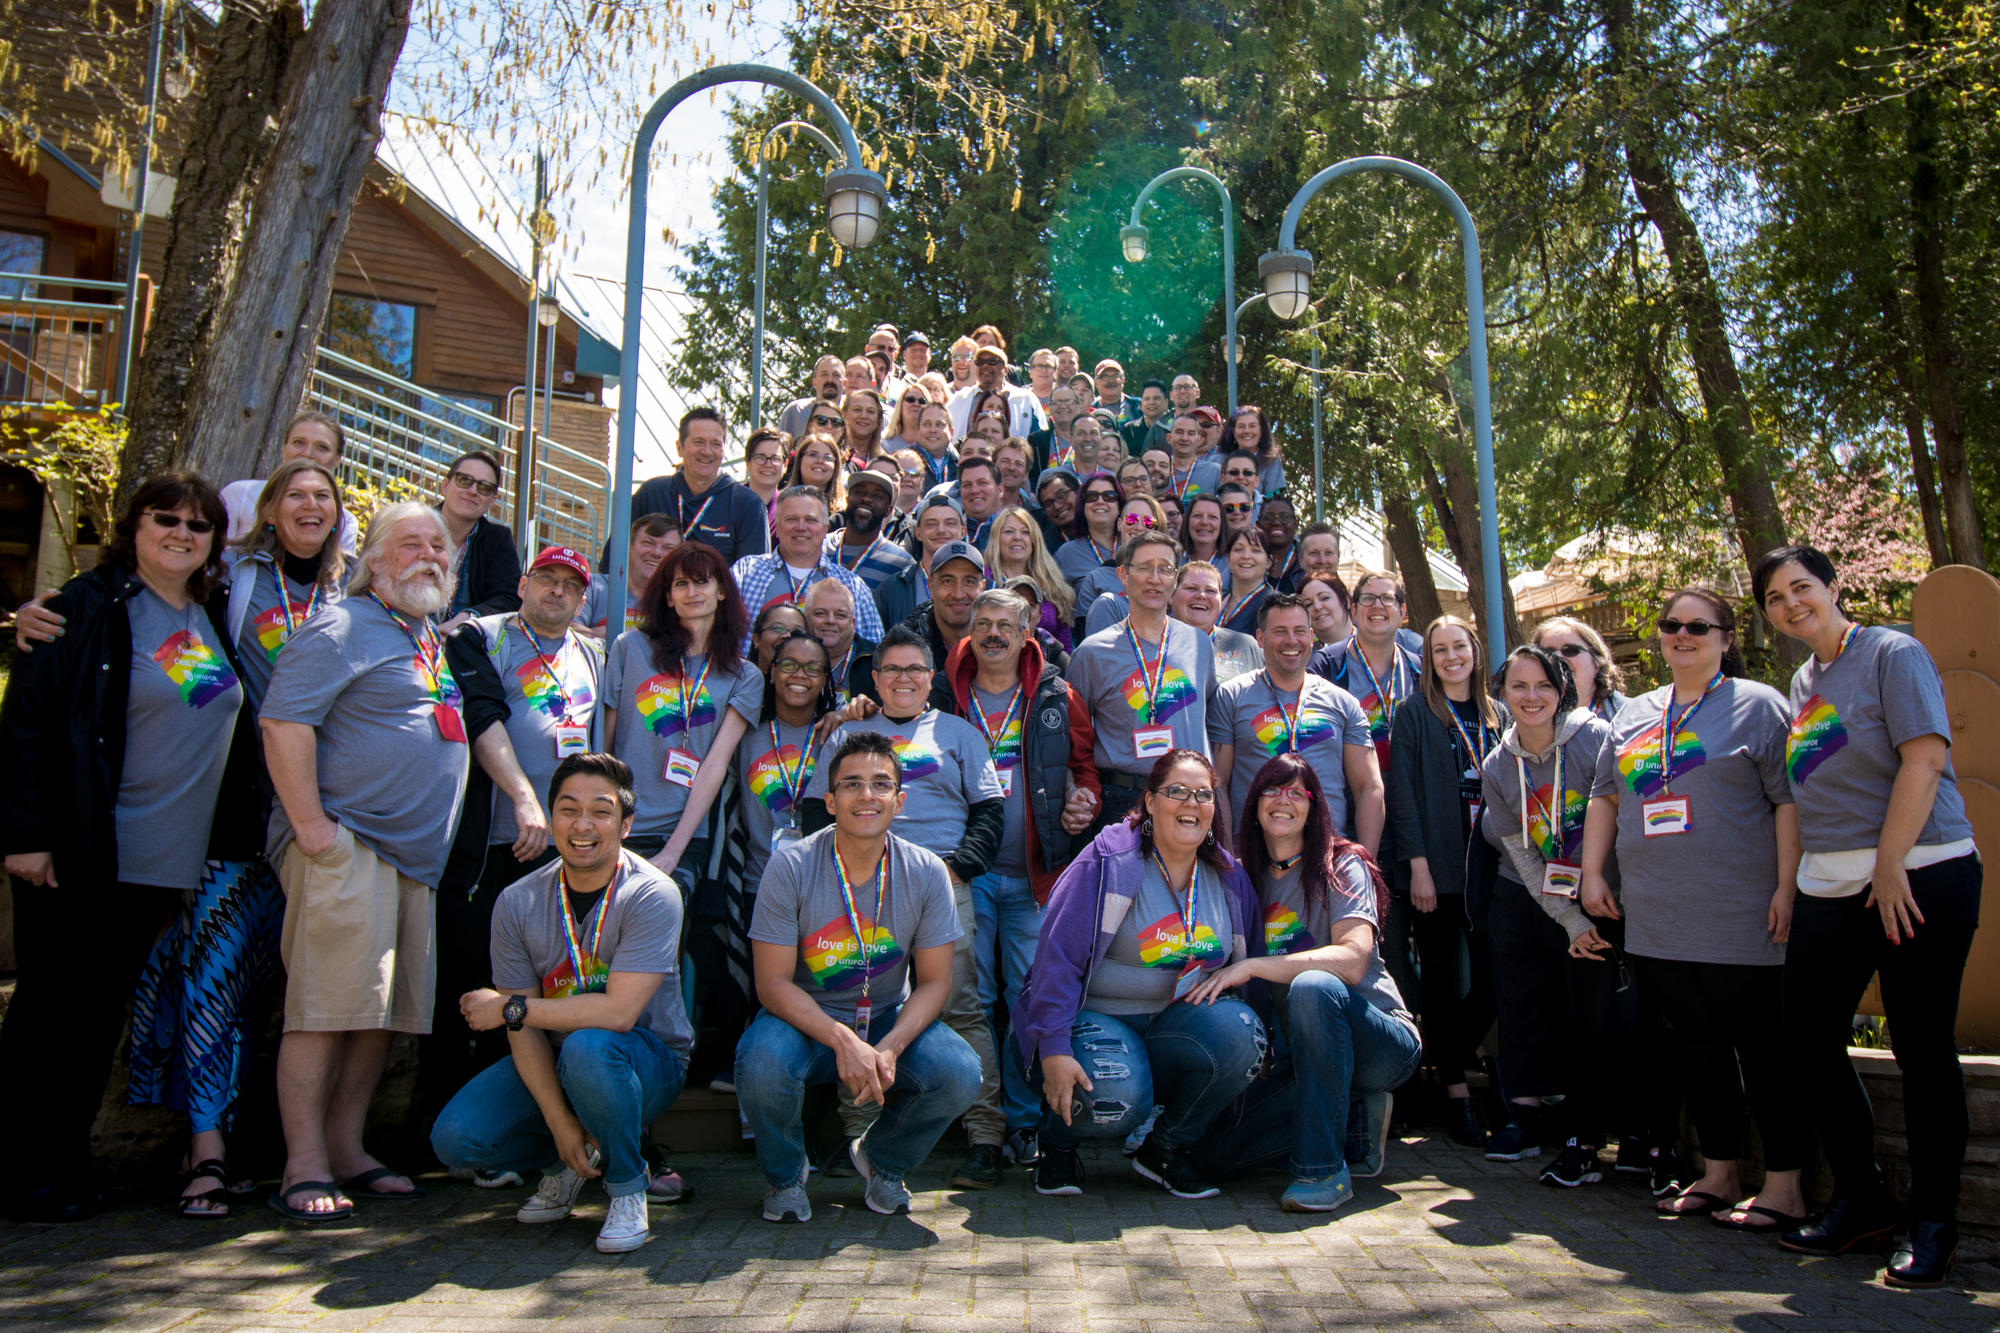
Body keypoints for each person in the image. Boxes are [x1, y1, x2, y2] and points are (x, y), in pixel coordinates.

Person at [0, 472, 251, 1224]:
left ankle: (63, 1168)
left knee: (92, 1022)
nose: (182, 533)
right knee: (48, 1017)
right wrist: (26, 836)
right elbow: (27, 724)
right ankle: (19, 1175)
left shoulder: (207, 611)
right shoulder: (87, 606)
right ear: (132, 525)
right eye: (164, 519)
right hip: (82, 853)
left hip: (159, 865)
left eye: (198, 525)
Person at [1754, 545, 1981, 1286]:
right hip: (1831, 883)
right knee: (1807, 1033)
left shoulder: (1892, 652)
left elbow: (1923, 759)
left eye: (1802, 587)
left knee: (1922, 1048)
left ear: (1832, 586)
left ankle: (1934, 1220)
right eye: (1775, 598)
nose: (1791, 604)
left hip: (1919, 875)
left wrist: (1890, 864)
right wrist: (1791, 884)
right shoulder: (1802, 680)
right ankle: (1865, 1195)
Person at [256, 501, 472, 1219]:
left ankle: (348, 1147)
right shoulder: (343, 625)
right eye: (409, 544)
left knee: (378, 1016)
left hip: (410, 863)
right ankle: (304, 1162)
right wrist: (314, 828)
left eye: (438, 547)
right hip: (350, 848)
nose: (429, 556)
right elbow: (284, 721)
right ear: (373, 560)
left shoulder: (422, 636)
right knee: (323, 1011)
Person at [1596, 587, 1805, 1227]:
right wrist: (1591, 874)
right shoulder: (1636, 712)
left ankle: (1786, 1187)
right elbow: (1606, 795)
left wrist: (1786, 887)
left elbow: (1790, 801)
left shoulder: (1759, 707)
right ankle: (1719, 1173)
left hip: (1740, 912)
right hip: (1658, 917)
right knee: (1699, 1048)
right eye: (1670, 625)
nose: (1680, 635)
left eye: (1697, 626)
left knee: (1763, 1051)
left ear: (1725, 637)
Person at [430, 753, 691, 1253]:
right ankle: (567, 1162)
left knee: (591, 1047)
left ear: (626, 823)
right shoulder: (518, 901)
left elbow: (617, 1014)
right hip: (555, 1057)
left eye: (601, 811)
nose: (583, 825)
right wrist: (558, 1122)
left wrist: (510, 1008)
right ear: (551, 820)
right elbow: (523, 1032)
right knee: (458, 1138)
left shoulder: (653, 894)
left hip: (646, 1061)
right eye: (569, 810)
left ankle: (627, 1186)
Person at [737, 732, 982, 1220]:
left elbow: (935, 982)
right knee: (761, 1063)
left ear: (900, 800)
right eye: (851, 784)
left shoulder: (927, 871)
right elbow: (772, 985)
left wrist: (889, 1047)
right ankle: (786, 1177)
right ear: (829, 801)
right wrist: (843, 1041)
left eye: (880, 784)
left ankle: (882, 1161)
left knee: (959, 1072)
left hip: (886, 1018)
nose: (866, 796)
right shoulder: (791, 866)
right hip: (804, 1023)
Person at [801, 627, 1008, 1188]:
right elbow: (816, 813)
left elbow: (990, 812)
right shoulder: (848, 734)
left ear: (932, 677)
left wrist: (957, 868)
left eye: (915, 670)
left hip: (940, 881)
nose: (904, 680)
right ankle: (859, 1133)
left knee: (962, 1006)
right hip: (862, 889)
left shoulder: (961, 734)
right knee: (861, 1004)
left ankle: (985, 1136)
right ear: (875, 678)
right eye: (892, 670)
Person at [1015, 750, 1267, 1199]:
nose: (1191, 804)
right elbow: (1057, 959)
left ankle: (1165, 1149)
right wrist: (1053, 1048)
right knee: (1119, 1090)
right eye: (1177, 792)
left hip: (1175, 1027)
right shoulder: (1108, 861)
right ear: (1149, 801)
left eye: (1203, 794)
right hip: (1095, 1023)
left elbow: (1246, 972)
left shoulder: (1229, 878)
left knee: (1244, 1035)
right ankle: (1056, 1142)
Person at [1191, 755, 1422, 1211]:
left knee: (1315, 985)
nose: (1283, 801)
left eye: (1297, 792)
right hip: (1302, 1057)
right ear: (1253, 803)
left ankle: (1322, 1171)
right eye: (1273, 790)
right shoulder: (1240, 878)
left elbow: (1353, 961)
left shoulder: (1342, 864)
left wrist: (1253, 965)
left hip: (1380, 1041)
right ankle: (1355, 1128)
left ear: (1314, 808)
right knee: (1213, 1154)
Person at [427, 545, 605, 1135]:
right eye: (547, 580)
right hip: (493, 845)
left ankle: (529, 1128)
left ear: (583, 599)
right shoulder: (484, 637)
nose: (558, 592)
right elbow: (481, 716)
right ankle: (447, 1129)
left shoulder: (591, 654)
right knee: (468, 981)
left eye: (570, 586)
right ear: (523, 583)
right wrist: (524, 797)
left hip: (564, 853)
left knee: (539, 988)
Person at [937, 590, 1101, 1166]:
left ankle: (1027, 1123)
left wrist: (1084, 799)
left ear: (1027, 630)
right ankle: (980, 1123)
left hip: (1037, 876)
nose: (992, 634)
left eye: (1005, 624)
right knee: (971, 1000)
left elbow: (1085, 771)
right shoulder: (944, 692)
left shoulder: (1057, 695)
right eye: (982, 624)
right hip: (967, 875)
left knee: (1031, 999)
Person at [1477, 644, 1620, 1182]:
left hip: (1616, 898)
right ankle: (1575, 1140)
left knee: (1603, 1022)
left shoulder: (1598, 742)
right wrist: (1572, 921)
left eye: (1543, 686)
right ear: (1501, 694)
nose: (1531, 697)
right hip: (1562, 903)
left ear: (1561, 690)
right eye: (1519, 686)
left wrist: (1602, 902)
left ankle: (1631, 1140)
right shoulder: (1497, 767)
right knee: (1562, 1015)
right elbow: (1523, 856)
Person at [1386, 615, 1505, 1149]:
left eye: (1459, 647)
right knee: (1436, 977)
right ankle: (1457, 1093)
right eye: (1439, 650)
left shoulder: (1498, 714)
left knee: (1495, 980)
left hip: (1493, 867)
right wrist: (1416, 865)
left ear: (1475, 651)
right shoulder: (1414, 713)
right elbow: (1403, 794)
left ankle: (1438, 1049)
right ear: (1427, 660)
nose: (1451, 657)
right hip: (1434, 865)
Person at [604, 541, 761, 889]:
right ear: (669, 597)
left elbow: (715, 765)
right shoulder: (629, 648)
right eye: (680, 584)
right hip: (619, 825)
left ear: (722, 591)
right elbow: (605, 746)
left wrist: (674, 851)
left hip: (686, 834)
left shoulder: (744, 676)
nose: (692, 592)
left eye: (702, 581)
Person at [1065, 531, 1219, 826]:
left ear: (1175, 580)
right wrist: (1074, 790)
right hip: (1123, 798)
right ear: (1123, 575)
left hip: (1190, 799)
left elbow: (1209, 721)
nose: (1155, 578)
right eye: (1145, 567)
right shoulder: (1093, 653)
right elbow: (1073, 738)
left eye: (1165, 569)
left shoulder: (1199, 645)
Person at [1209, 593, 1380, 853]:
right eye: (1280, 631)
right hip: (1254, 854)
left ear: (1311, 636)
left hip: (1326, 855)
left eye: (1299, 631)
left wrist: (1364, 862)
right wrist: (1230, 858)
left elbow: (1369, 787)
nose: (1291, 640)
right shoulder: (1231, 696)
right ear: (1261, 639)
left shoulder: (1343, 703)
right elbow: (1218, 783)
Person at [736, 631, 840, 902]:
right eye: (789, 665)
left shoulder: (835, 736)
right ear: (772, 672)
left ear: (825, 679)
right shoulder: (744, 734)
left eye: (813, 668)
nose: (800, 675)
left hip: (821, 888)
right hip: (757, 884)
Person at [731, 486, 885, 646]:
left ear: (825, 529)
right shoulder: (746, 571)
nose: (801, 527)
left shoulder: (852, 586)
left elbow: (873, 651)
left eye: (811, 520)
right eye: (791, 519)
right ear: (776, 527)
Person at [1311, 572, 1423, 773]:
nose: (1377, 605)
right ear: (1353, 610)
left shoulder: (1419, 671)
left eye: (1387, 598)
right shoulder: (1326, 666)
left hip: (1408, 791)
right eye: (1367, 598)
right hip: (1347, 793)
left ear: (1402, 611)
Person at [629, 407, 770, 564]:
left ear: (723, 450)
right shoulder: (652, 494)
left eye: (716, 444)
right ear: (679, 448)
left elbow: (754, 578)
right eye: (698, 442)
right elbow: (615, 561)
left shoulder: (747, 504)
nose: (706, 451)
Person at [219, 410, 360, 555]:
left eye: (322, 447)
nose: (307, 453)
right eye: (299, 443)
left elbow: (336, 572)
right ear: (283, 448)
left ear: (337, 459)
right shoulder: (240, 495)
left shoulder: (344, 522)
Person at [437, 449, 522, 629]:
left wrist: (466, 620)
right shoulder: (413, 527)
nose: (473, 491)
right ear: (444, 486)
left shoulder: (497, 540)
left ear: (492, 501)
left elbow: (508, 598)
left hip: (464, 644)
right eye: (464, 481)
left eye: (484, 487)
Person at [984, 506, 1075, 648]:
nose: (1017, 537)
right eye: (1009, 532)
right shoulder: (984, 581)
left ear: (1034, 540)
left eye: (1025, 532)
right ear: (997, 539)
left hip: (1047, 666)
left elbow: (1065, 645)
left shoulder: (1051, 582)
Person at [578, 513, 680, 640]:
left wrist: (602, 634)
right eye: (648, 543)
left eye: (668, 548)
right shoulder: (593, 585)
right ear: (628, 546)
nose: (657, 553)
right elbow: (569, 633)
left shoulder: (679, 597)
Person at [874, 493, 965, 630]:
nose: (940, 530)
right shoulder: (893, 588)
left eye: (950, 523)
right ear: (918, 533)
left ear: (963, 532)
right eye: (931, 524)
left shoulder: (981, 586)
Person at [825, 469, 915, 597]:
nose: (866, 499)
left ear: (888, 510)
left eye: (877, 496)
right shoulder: (820, 547)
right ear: (847, 500)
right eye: (860, 492)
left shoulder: (902, 563)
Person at [1533, 615, 1627, 722]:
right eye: (1547, 653)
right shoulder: (1522, 725)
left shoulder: (1631, 717)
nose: (1558, 657)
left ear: (1597, 662)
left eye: (1570, 650)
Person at [950, 344, 1043, 437]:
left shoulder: (1026, 399)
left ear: (1005, 370)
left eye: (992, 362)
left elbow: (1040, 438)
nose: (985, 366)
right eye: (980, 362)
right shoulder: (959, 399)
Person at [1054, 472, 1123, 596]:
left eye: (1109, 496)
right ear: (1082, 506)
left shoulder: (1132, 547)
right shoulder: (1066, 555)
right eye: (1092, 496)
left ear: (1120, 505)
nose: (1100, 501)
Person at [776, 356, 844, 442]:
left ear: (845, 383)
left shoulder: (852, 413)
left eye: (836, 375)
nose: (830, 380)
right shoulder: (796, 411)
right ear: (814, 383)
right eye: (824, 374)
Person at [780, 429, 848, 513]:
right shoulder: (779, 502)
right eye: (813, 455)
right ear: (800, 460)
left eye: (827, 457)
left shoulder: (846, 510)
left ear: (836, 465)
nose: (820, 461)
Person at [1218, 528, 1271, 635]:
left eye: (1256, 550)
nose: (1246, 556)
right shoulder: (1219, 599)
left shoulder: (1271, 604)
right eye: (1238, 549)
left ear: (1268, 562)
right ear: (1228, 559)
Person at [1162, 413, 1221, 505]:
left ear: (1198, 440)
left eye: (1191, 433)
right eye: (1179, 432)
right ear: (1169, 438)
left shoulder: (1214, 471)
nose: (1185, 438)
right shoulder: (1159, 469)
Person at [742, 426, 789, 541]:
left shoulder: (789, 508)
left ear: (785, 464)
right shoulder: (730, 502)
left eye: (775, 458)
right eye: (760, 457)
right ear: (748, 463)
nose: (768, 464)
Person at [1229, 405, 1285, 496]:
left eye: (1252, 426)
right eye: (1241, 426)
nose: (1247, 431)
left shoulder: (1271, 461)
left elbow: (1273, 499)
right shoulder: (1221, 459)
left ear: (1261, 431)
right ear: (1233, 431)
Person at [1028, 384, 1083, 473]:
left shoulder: (1089, 438)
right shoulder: (1036, 441)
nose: (1063, 406)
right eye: (1056, 402)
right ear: (1050, 407)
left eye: (1068, 401)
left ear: (1078, 406)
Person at [955, 456, 1006, 548]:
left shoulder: (1017, 529)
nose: (974, 490)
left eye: (982, 483)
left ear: (1000, 490)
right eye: (967, 485)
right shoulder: (951, 530)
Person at [751, 600, 811, 673]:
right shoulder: (740, 682)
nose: (787, 635)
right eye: (778, 628)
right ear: (757, 640)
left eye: (797, 631)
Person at [1256, 497, 1302, 592]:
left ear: (1295, 524)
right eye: (1268, 518)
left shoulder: (1309, 559)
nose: (1276, 522)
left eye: (1285, 517)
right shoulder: (1248, 559)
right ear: (1258, 525)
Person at [1120, 379, 1172, 455]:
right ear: (1141, 404)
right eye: (1147, 399)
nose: (1151, 402)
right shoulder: (1130, 430)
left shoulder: (1173, 428)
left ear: (1166, 403)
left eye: (1156, 398)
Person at [840, 388, 888, 468]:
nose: (863, 416)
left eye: (870, 411)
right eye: (857, 410)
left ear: (878, 419)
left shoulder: (884, 462)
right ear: (844, 414)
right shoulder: (831, 455)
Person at [1300, 575, 1351, 645]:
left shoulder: (1369, 640)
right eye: (1308, 604)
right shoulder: (1304, 654)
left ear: (1346, 600)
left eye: (1325, 598)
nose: (1317, 607)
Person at [1182, 492, 1226, 567]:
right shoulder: (1174, 559)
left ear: (1222, 523)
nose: (1204, 522)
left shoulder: (1231, 563)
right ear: (1187, 521)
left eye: (1212, 517)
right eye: (1197, 516)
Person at [1066, 410, 1115, 476]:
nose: (1088, 439)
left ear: (1101, 439)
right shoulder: (1057, 477)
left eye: (1093, 433)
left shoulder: (1111, 479)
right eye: (1081, 433)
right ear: (1071, 440)